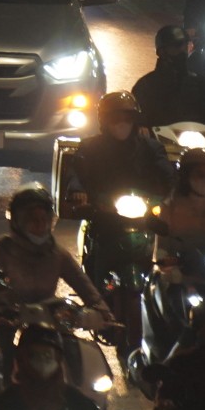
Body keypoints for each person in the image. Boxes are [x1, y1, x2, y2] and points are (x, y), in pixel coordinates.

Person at [0, 186, 109, 374]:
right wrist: (4, 309)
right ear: (18, 222)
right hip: (11, 321)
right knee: (5, 362)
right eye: (32, 220)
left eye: (44, 220)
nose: (39, 226)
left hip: (50, 319)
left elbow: (82, 283)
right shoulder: (2, 250)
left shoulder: (57, 253)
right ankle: (6, 398)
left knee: (75, 356)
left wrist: (102, 311)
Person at [60, 91, 176, 288]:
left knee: (171, 257)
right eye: (115, 118)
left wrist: (173, 192)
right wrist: (79, 191)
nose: (122, 123)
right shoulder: (90, 147)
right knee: (93, 257)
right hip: (104, 213)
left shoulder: (151, 147)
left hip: (146, 214)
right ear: (105, 121)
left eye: (127, 118)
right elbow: (76, 173)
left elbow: (167, 173)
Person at [0, 325, 100, 410]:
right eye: (34, 356)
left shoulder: (81, 405)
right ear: (22, 360)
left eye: (48, 356)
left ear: (58, 360)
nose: (42, 361)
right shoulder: (1, 406)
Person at [132, 24, 205, 128]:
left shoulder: (199, 83)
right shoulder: (146, 86)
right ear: (162, 51)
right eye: (177, 46)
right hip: (159, 141)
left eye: (185, 46)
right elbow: (137, 120)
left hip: (196, 140)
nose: (182, 51)